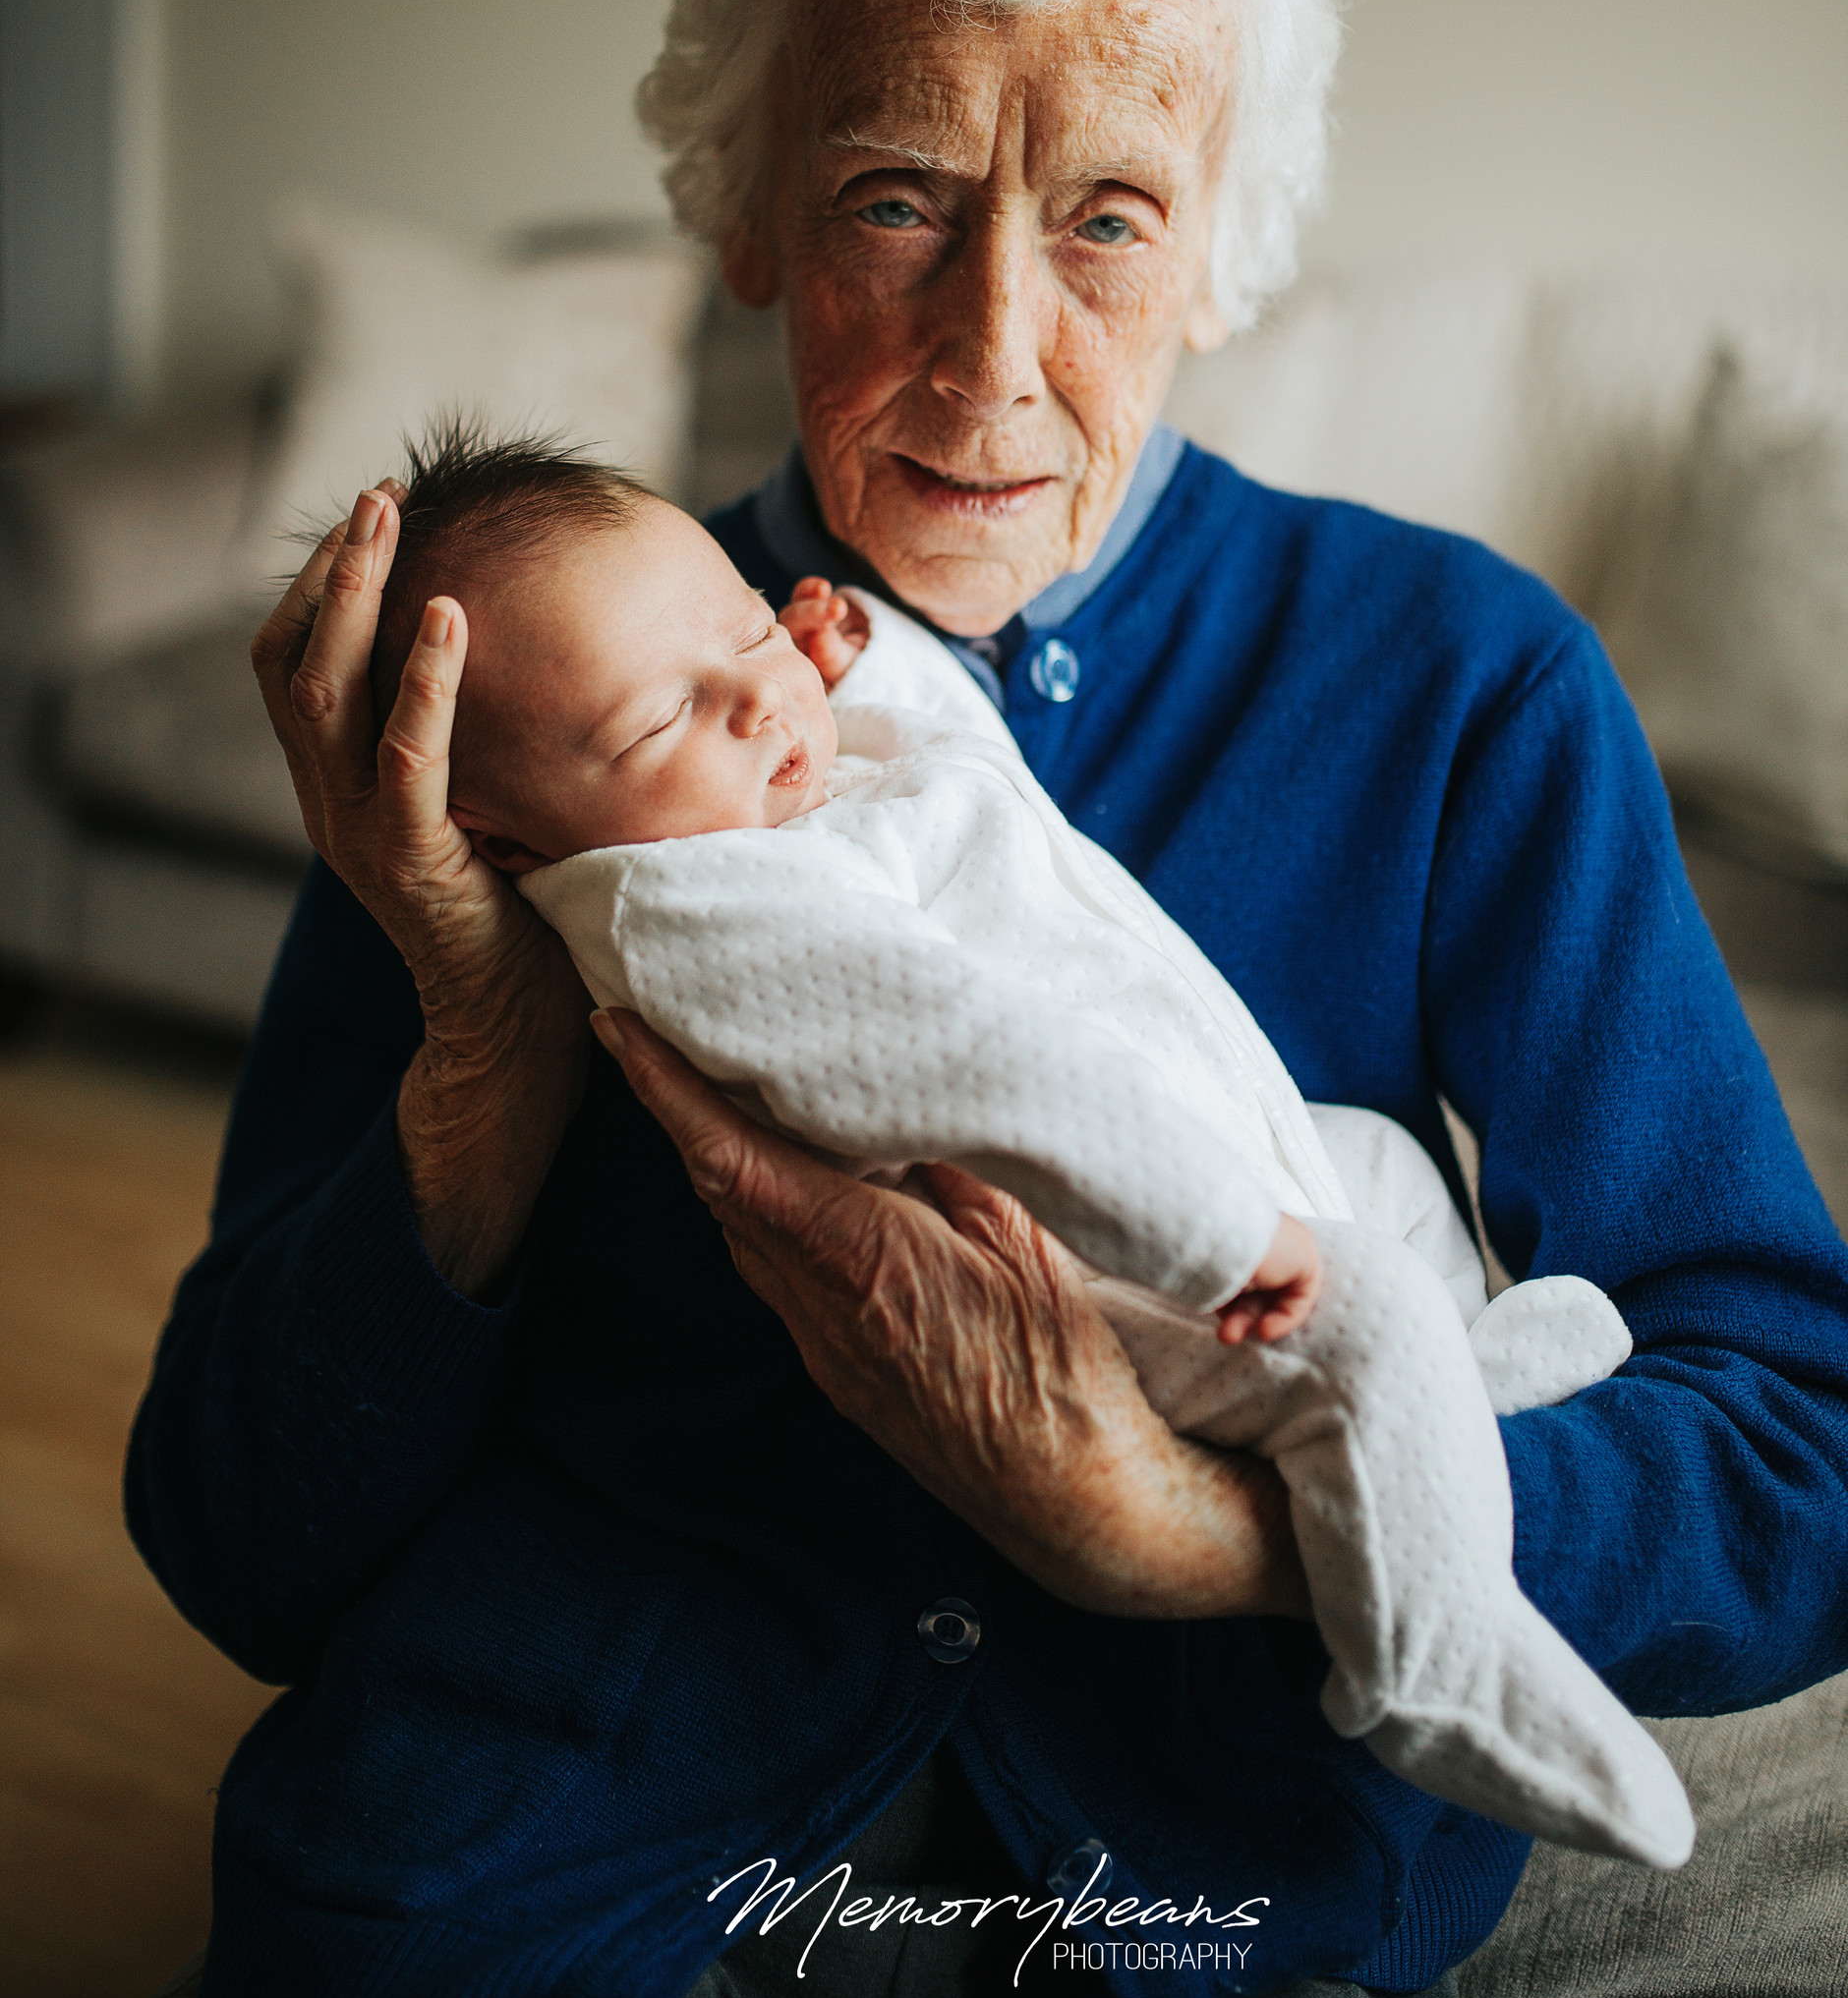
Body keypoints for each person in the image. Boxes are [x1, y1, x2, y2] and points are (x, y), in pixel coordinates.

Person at [128, 0, 1848, 1998]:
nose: (992, 350)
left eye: (1111, 218)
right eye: (897, 200)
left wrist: (1228, 1539)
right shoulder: (509, 713)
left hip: (1202, 1893)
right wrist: (475, 1037)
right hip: (579, 1860)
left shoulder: (1463, 689)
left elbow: (1788, 1440)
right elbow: (235, 1541)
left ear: (1226, 253)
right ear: (748, 210)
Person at [352, 418, 1687, 1867]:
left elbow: (966, 779)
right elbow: (984, 1071)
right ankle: (1434, 1660)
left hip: (1215, 1139)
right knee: (1360, 1330)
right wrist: (1219, 1238)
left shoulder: (767, 801)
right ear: (504, 842)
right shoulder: (698, 914)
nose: (754, 699)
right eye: (661, 719)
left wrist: (883, 667)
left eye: (746, 627)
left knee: (1389, 1176)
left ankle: (1468, 1404)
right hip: (1102, 1260)